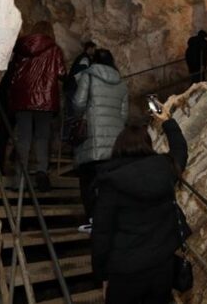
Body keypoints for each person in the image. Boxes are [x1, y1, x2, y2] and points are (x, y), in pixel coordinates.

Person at [92, 104, 187, 304]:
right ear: (147, 145)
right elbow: (180, 148)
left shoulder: (111, 182)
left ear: (118, 147)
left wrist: (102, 275)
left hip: (125, 271)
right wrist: (167, 120)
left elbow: (102, 234)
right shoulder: (165, 169)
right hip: (162, 266)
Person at [7, 21, 66, 192]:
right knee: (42, 138)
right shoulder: (54, 49)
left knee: (23, 139)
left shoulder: (20, 48)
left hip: (23, 100)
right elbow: (61, 73)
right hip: (45, 100)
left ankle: (19, 180)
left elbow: (13, 73)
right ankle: (41, 173)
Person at [73, 49, 128, 226]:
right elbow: (124, 115)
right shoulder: (122, 83)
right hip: (114, 142)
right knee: (109, 184)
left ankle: (92, 219)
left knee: (88, 181)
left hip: (93, 139)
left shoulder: (88, 76)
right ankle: (109, 220)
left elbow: (79, 103)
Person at [64, 41, 97, 118]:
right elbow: (81, 75)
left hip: (70, 87)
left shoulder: (82, 57)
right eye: (94, 49)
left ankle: (67, 130)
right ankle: (70, 129)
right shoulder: (85, 59)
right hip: (73, 88)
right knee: (73, 115)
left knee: (69, 115)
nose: (94, 51)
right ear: (89, 48)